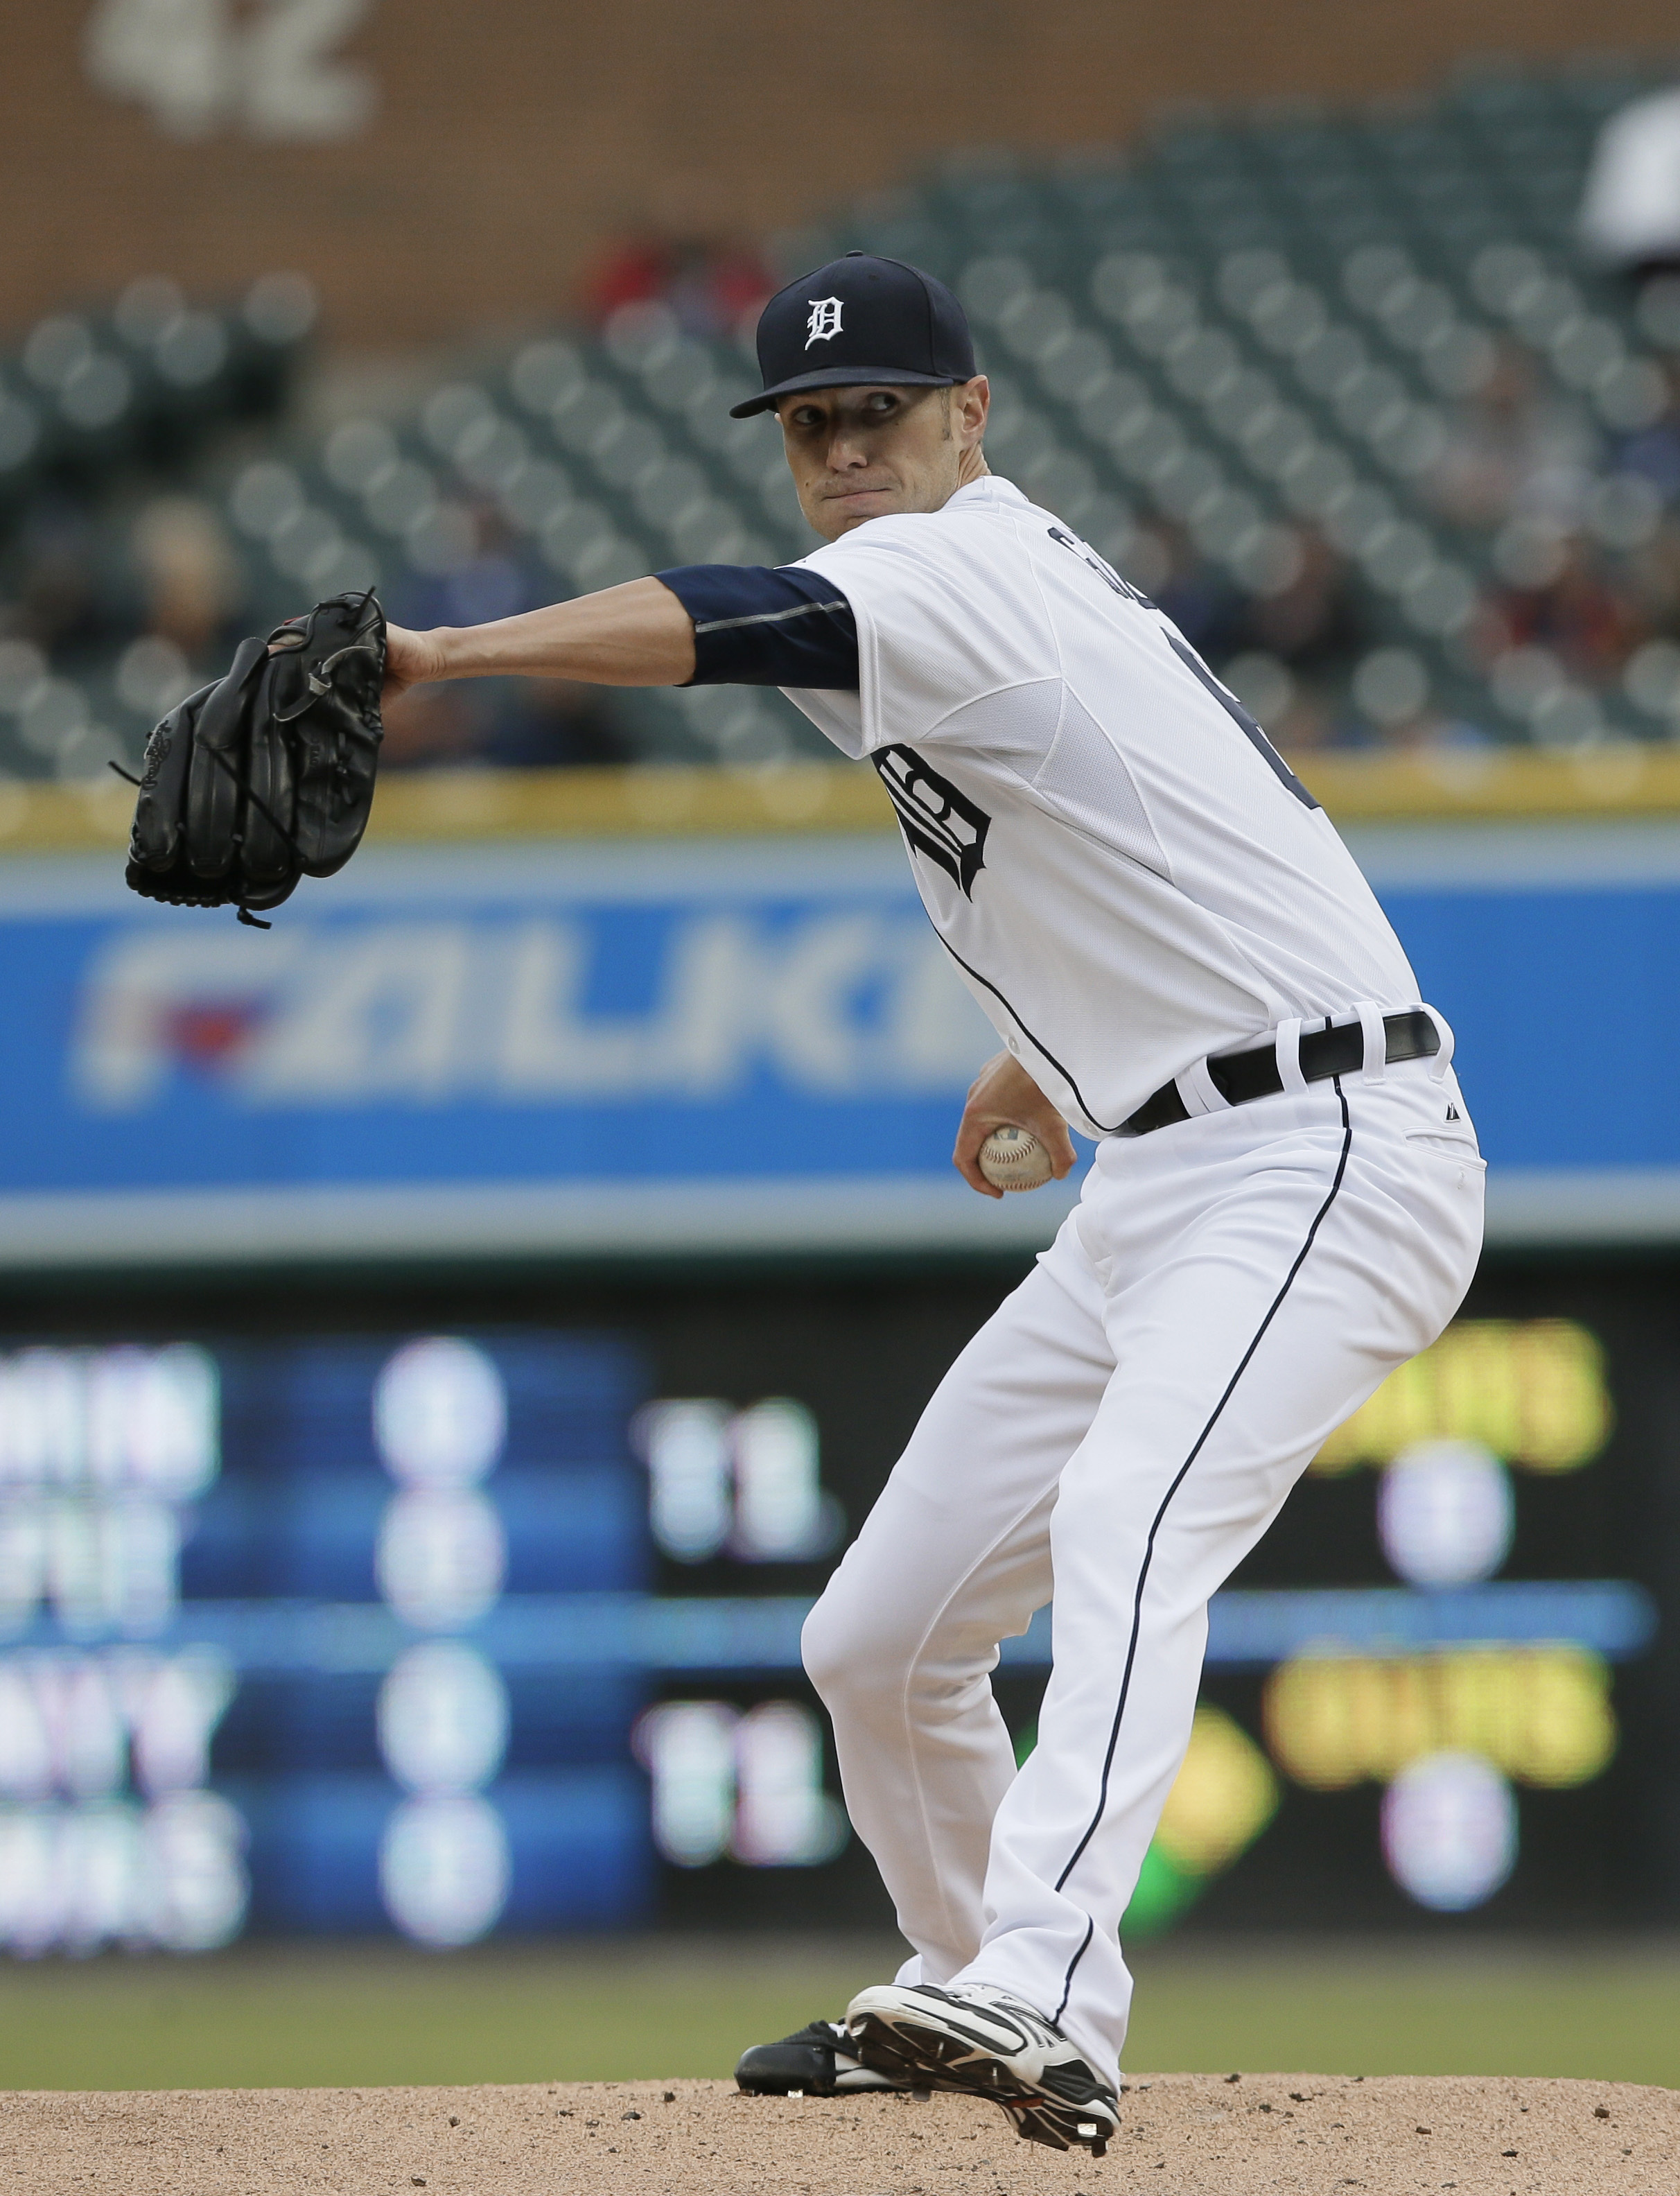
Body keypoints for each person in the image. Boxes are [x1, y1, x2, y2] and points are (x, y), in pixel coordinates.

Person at [378, 254, 1485, 2159]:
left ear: (968, 421)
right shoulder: (970, 587)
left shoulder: (951, 556)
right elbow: (1156, 816)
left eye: (875, 414)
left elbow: (731, 621)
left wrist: (449, 657)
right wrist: (1061, 1055)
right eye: (811, 428)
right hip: (1168, 1155)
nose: (842, 453)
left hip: (1324, 1150)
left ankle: (1047, 1989)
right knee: (875, 1640)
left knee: (1131, 1515)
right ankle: (972, 1994)